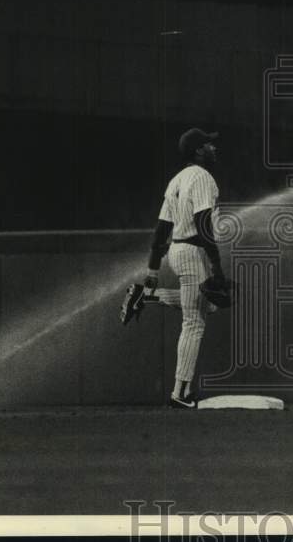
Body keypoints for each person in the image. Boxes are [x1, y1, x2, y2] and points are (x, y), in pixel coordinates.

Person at [119, 128, 228, 409]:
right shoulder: (203, 177)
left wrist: (153, 272)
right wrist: (216, 267)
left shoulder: (176, 180)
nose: (213, 148)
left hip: (178, 250)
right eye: (208, 145)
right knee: (194, 322)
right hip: (193, 251)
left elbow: (161, 231)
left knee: (208, 307)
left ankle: (148, 296)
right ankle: (180, 392)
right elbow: (203, 223)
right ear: (197, 152)